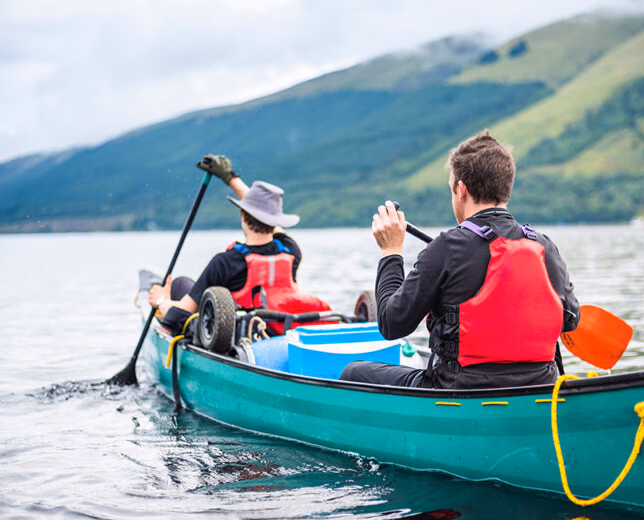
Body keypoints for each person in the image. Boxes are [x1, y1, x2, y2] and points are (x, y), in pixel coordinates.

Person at [340, 130, 580, 390]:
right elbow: (571, 320)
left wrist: (391, 251)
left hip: (459, 390)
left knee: (354, 372)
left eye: (451, 190)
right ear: (506, 188)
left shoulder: (447, 247)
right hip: (539, 388)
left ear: (460, 189)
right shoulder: (543, 246)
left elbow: (391, 323)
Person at [148, 154, 328, 334]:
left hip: (239, 336)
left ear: (243, 216)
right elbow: (267, 219)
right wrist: (230, 177)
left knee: (180, 285)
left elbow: (181, 314)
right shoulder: (291, 251)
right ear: (274, 222)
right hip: (276, 328)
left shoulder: (225, 262)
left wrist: (161, 301)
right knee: (183, 284)